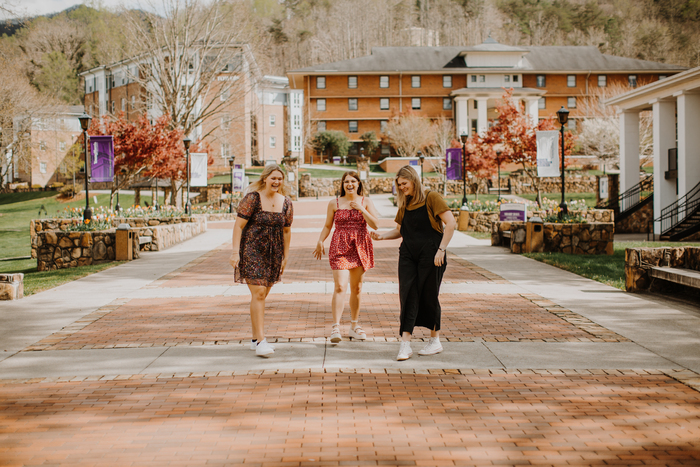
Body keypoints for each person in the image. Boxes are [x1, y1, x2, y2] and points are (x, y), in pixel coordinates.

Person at [371, 165, 456, 361]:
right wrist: (382, 237)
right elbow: (400, 230)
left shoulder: (431, 197)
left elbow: (450, 223)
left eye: (404, 183)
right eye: (399, 185)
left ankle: (435, 341)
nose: (401, 187)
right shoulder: (405, 203)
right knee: (407, 294)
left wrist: (441, 250)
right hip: (408, 254)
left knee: (429, 295)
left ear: (414, 180)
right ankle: (405, 344)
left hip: (432, 254)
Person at [229, 164, 293, 357]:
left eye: (279, 179)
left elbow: (287, 231)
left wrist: (285, 257)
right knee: (258, 294)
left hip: (273, 254)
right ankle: (262, 341)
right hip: (252, 250)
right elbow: (238, 226)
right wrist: (235, 252)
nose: (276, 182)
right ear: (265, 178)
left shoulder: (286, 203)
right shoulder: (253, 198)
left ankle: (254, 338)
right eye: (273, 178)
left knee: (262, 295)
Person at [313, 171, 379, 343]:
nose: (349, 184)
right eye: (346, 182)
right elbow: (328, 226)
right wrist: (320, 240)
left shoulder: (366, 201)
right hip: (339, 246)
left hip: (360, 246)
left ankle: (354, 326)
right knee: (341, 286)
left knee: (357, 288)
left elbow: (376, 225)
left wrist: (361, 209)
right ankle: (335, 327)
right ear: (342, 185)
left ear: (358, 184)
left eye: (353, 181)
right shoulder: (334, 203)